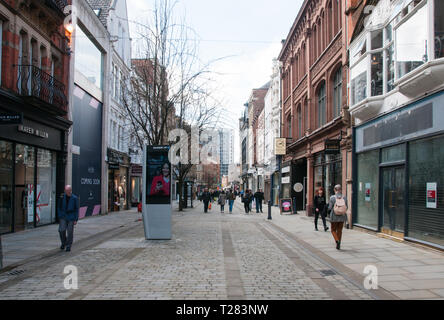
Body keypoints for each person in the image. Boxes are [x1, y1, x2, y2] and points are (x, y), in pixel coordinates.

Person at [58, 185, 79, 252]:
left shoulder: (75, 198)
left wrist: (76, 219)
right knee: (61, 230)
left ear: (70, 190)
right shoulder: (62, 197)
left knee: (70, 232)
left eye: (68, 190)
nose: (66, 192)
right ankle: (63, 243)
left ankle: (68, 245)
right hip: (63, 216)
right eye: (65, 190)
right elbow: (59, 206)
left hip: (71, 217)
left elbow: (76, 209)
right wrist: (60, 215)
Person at [328, 185, 348, 250]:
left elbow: (330, 207)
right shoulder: (344, 197)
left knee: (333, 230)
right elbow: (346, 206)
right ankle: (339, 243)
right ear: (340, 190)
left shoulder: (332, 197)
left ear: (334, 190)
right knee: (340, 230)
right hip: (342, 216)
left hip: (334, 215)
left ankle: (337, 241)